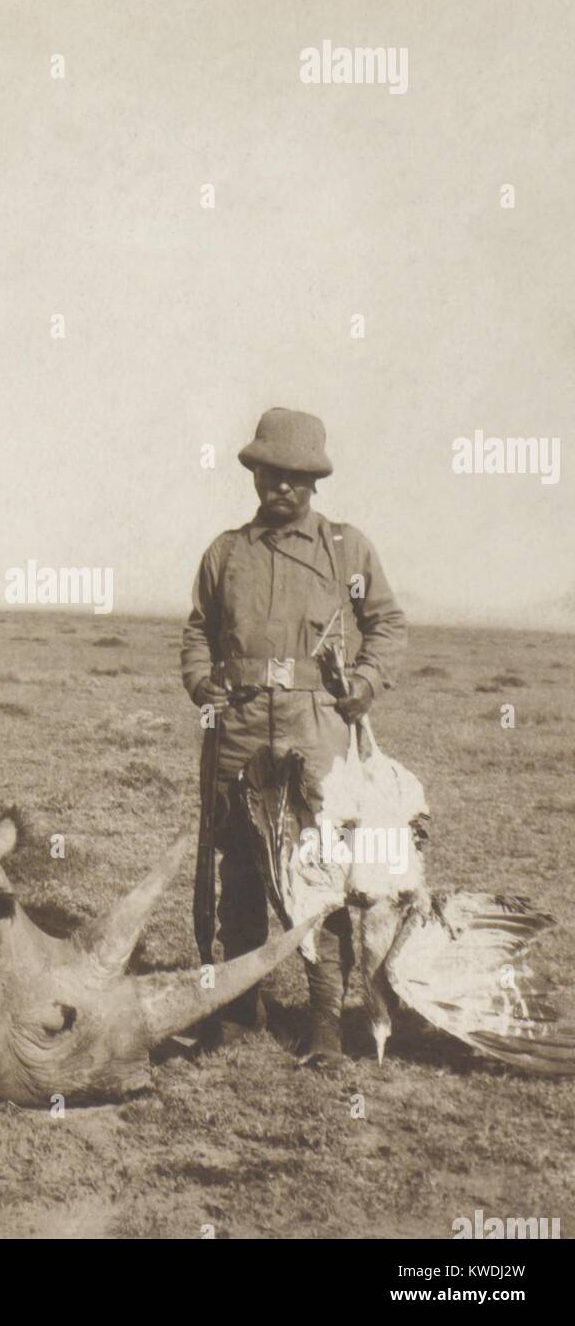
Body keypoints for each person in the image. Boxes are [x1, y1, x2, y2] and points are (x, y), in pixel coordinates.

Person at [181, 407, 406, 1069]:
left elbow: (387, 623)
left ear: (315, 482)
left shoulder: (347, 550)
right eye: (270, 474)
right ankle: (236, 1005)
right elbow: (199, 628)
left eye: (297, 477)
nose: (282, 487)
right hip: (241, 726)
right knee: (242, 866)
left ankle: (325, 1023)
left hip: (318, 730)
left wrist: (363, 683)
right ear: (254, 474)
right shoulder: (225, 553)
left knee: (319, 871)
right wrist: (201, 681)